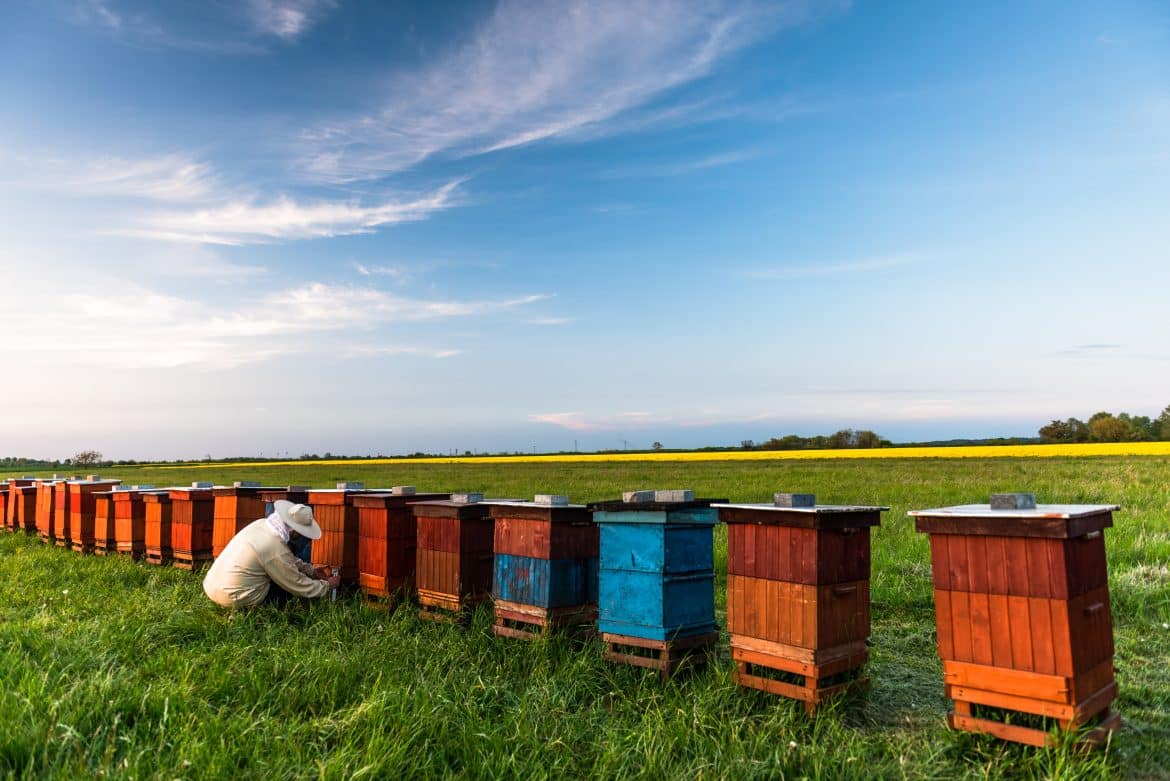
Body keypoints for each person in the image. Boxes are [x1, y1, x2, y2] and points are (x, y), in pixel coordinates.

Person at [203, 500, 340, 608]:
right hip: (233, 596)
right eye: (302, 533)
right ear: (294, 530)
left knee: (279, 572)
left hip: (212, 585)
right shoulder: (275, 547)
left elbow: (285, 558)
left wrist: (311, 571)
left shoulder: (261, 524)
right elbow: (297, 584)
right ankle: (249, 610)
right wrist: (327, 586)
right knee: (283, 587)